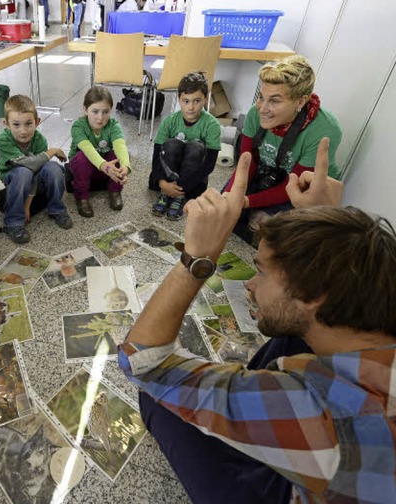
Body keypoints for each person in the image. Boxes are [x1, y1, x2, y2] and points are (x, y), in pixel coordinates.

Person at [118, 139, 396, 503]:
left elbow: (142, 360)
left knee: (157, 401)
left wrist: (197, 259)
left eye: (262, 274)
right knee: (292, 337)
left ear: (313, 293)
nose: (250, 284)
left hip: (320, 466)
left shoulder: (323, 416)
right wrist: (328, 224)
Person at [223, 54, 342, 243]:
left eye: (275, 101)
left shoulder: (324, 130)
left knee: (265, 225)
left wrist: (246, 201)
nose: (262, 108)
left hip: (301, 189)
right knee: (226, 209)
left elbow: (293, 187)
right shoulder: (257, 112)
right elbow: (247, 163)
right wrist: (231, 196)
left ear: (300, 102)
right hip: (267, 170)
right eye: (261, 97)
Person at [0, 94, 73, 244]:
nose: (23, 131)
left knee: (54, 168)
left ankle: (57, 209)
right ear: (6, 124)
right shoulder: (3, 140)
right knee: (24, 172)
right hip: (15, 178)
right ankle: (13, 222)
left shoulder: (39, 139)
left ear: (37, 122)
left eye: (28, 124)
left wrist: (28, 203)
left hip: (33, 178)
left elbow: (36, 171)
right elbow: (29, 166)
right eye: (16, 125)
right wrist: (52, 151)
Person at [149, 72, 221, 220]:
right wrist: (163, 183)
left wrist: (181, 186)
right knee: (172, 144)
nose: (191, 107)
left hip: (193, 180)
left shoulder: (212, 124)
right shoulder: (169, 121)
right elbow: (157, 155)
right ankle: (166, 194)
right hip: (166, 179)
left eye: (197, 101)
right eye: (186, 101)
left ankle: (179, 197)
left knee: (196, 147)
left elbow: (209, 164)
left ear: (205, 99)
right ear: (179, 100)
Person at [68, 85, 131, 218]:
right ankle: (82, 197)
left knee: (118, 156)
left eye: (105, 112)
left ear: (111, 111)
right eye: (95, 111)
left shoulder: (113, 125)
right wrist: (104, 165)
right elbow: (88, 149)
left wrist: (125, 166)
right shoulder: (78, 126)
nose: (100, 118)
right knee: (81, 158)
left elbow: (120, 145)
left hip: (106, 168)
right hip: (85, 167)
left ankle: (115, 191)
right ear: (85, 110)